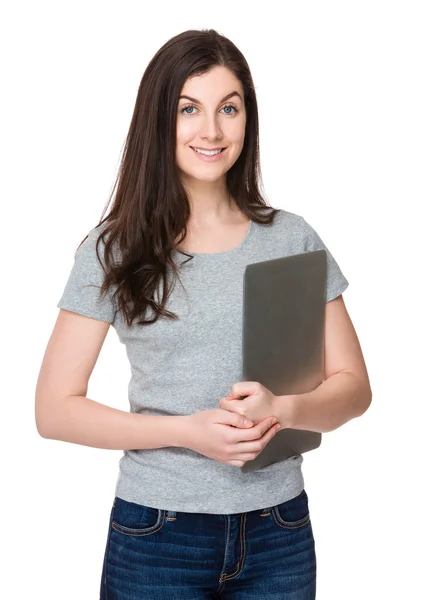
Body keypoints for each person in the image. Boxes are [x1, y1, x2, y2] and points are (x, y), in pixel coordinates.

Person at [35, 28, 372, 600]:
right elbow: (54, 411)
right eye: (189, 108)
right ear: (159, 119)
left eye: (229, 108)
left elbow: (355, 389)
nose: (211, 130)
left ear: (248, 119)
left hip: (279, 532)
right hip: (157, 535)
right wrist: (186, 433)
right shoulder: (113, 249)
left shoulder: (291, 238)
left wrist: (284, 409)